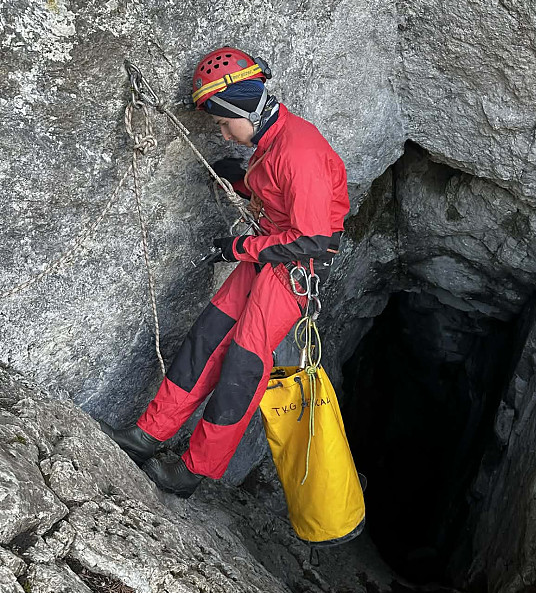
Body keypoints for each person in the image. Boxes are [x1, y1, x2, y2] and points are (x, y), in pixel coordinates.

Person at [100, 47, 350, 497]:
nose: (223, 133)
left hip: (293, 268)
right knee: (207, 338)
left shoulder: (299, 151)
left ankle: (193, 470)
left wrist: (239, 248)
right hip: (270, 256)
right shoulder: (271, 142)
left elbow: (312, 238)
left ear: (243, 109)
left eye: (222, 123)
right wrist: (241, 179)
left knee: (242, 365)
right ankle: (146, 435)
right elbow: (279, 192)